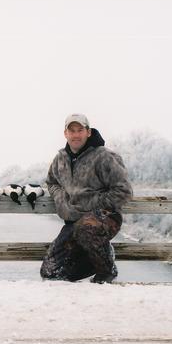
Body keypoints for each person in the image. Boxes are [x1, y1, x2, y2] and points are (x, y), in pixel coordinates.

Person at [40, 113, 132, 283]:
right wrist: (61, 200)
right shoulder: (60, 159)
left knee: (86, 230)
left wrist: (92, 205)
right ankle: (96, 257)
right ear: (65, 134)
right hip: (74, 221)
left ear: (88, 132)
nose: (76, 135)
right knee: (50, 271)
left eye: (80, 130)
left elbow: (124, 191)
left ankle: (106, 271)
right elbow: (51, 182)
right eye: (72, 130)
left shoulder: (104, 156)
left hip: (105, 217)